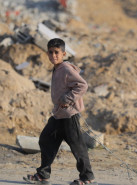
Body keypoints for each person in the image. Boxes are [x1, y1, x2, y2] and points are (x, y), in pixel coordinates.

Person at [24, 38, 97, 185]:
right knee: (45, 139)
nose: (53, 55)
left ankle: (87, 178)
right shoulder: (57, 68)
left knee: (77, 146)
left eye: (57, 52)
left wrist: (67, 99)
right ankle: (43, 175)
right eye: (50, 52)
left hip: (69, 115)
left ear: (63, 53)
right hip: (59, 114)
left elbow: (82, 85)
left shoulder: (66, 68)